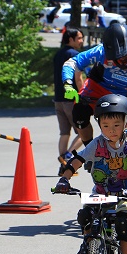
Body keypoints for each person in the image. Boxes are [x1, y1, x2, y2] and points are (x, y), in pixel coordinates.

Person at [54, 94, 127, 254]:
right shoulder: (97, 143)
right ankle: (88, 246)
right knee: (85, 216)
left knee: (123, 219)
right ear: (99, 125)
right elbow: (77, 161)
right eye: (105, 126)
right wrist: (64, 179)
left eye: (116, 126)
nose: (110, 130)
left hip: (126, 193)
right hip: (101, 192)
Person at [54, 27, 84, 176]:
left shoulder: (58, 54)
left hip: (58, 99)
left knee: (64, 132)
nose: (81, 41)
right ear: (70, 39)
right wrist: (83, 94)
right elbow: (78, 78)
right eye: (79, 38)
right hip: (71, 99)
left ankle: (63, 165)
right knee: (82, 132)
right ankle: (68, 156)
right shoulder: (75, 56)